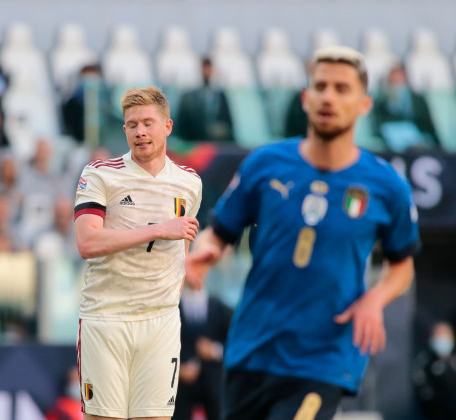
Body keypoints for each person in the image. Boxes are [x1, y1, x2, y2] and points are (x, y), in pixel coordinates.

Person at [186, 46, 421, 420]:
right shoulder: (265, 164)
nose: (329, 96)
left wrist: (375, 299)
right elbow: (220, 233)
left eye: (342, 88)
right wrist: (206, 251)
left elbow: (402, 266)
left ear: (364, 104)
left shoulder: (386, 185)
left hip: (321, 360)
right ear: (306, 98)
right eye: (321, 86)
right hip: (252, 350)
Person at [74, 86, 202, 420]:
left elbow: (181, 249)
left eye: (148, 122)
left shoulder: (190, 183)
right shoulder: (100, 174)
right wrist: (159, 229)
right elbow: (87, 243)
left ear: (167, 126)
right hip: (108, 317)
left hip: (160, 320)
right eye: (132, 125)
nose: (140, 131)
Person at [173, 285, 234, 420]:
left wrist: (214, 350)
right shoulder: (174, 309)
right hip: (182, 387)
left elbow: (234, 341)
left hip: (213, 384)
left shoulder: (219, 307)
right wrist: (179, 370)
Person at [372, 64, 439, 152]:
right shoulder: (382, 101)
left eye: (399, 79)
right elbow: (379, 123)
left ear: (406, 79)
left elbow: (427, 121)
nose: (396, 83)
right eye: (393, 80)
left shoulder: (417, 99)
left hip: (418, 137)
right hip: (392, 140)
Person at [176, 57, 234, 142]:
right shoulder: (189, 97)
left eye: (208, 68)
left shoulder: (220, 96)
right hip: (195, 142)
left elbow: (228, 123)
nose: (206, 72)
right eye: (204, 68)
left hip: (216, 144)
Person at [412, 321, 456, 420]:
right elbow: (424, 392)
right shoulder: (424, 361)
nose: (442, 339)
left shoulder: (453, 360)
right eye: (439, 335)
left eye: (445, 335)